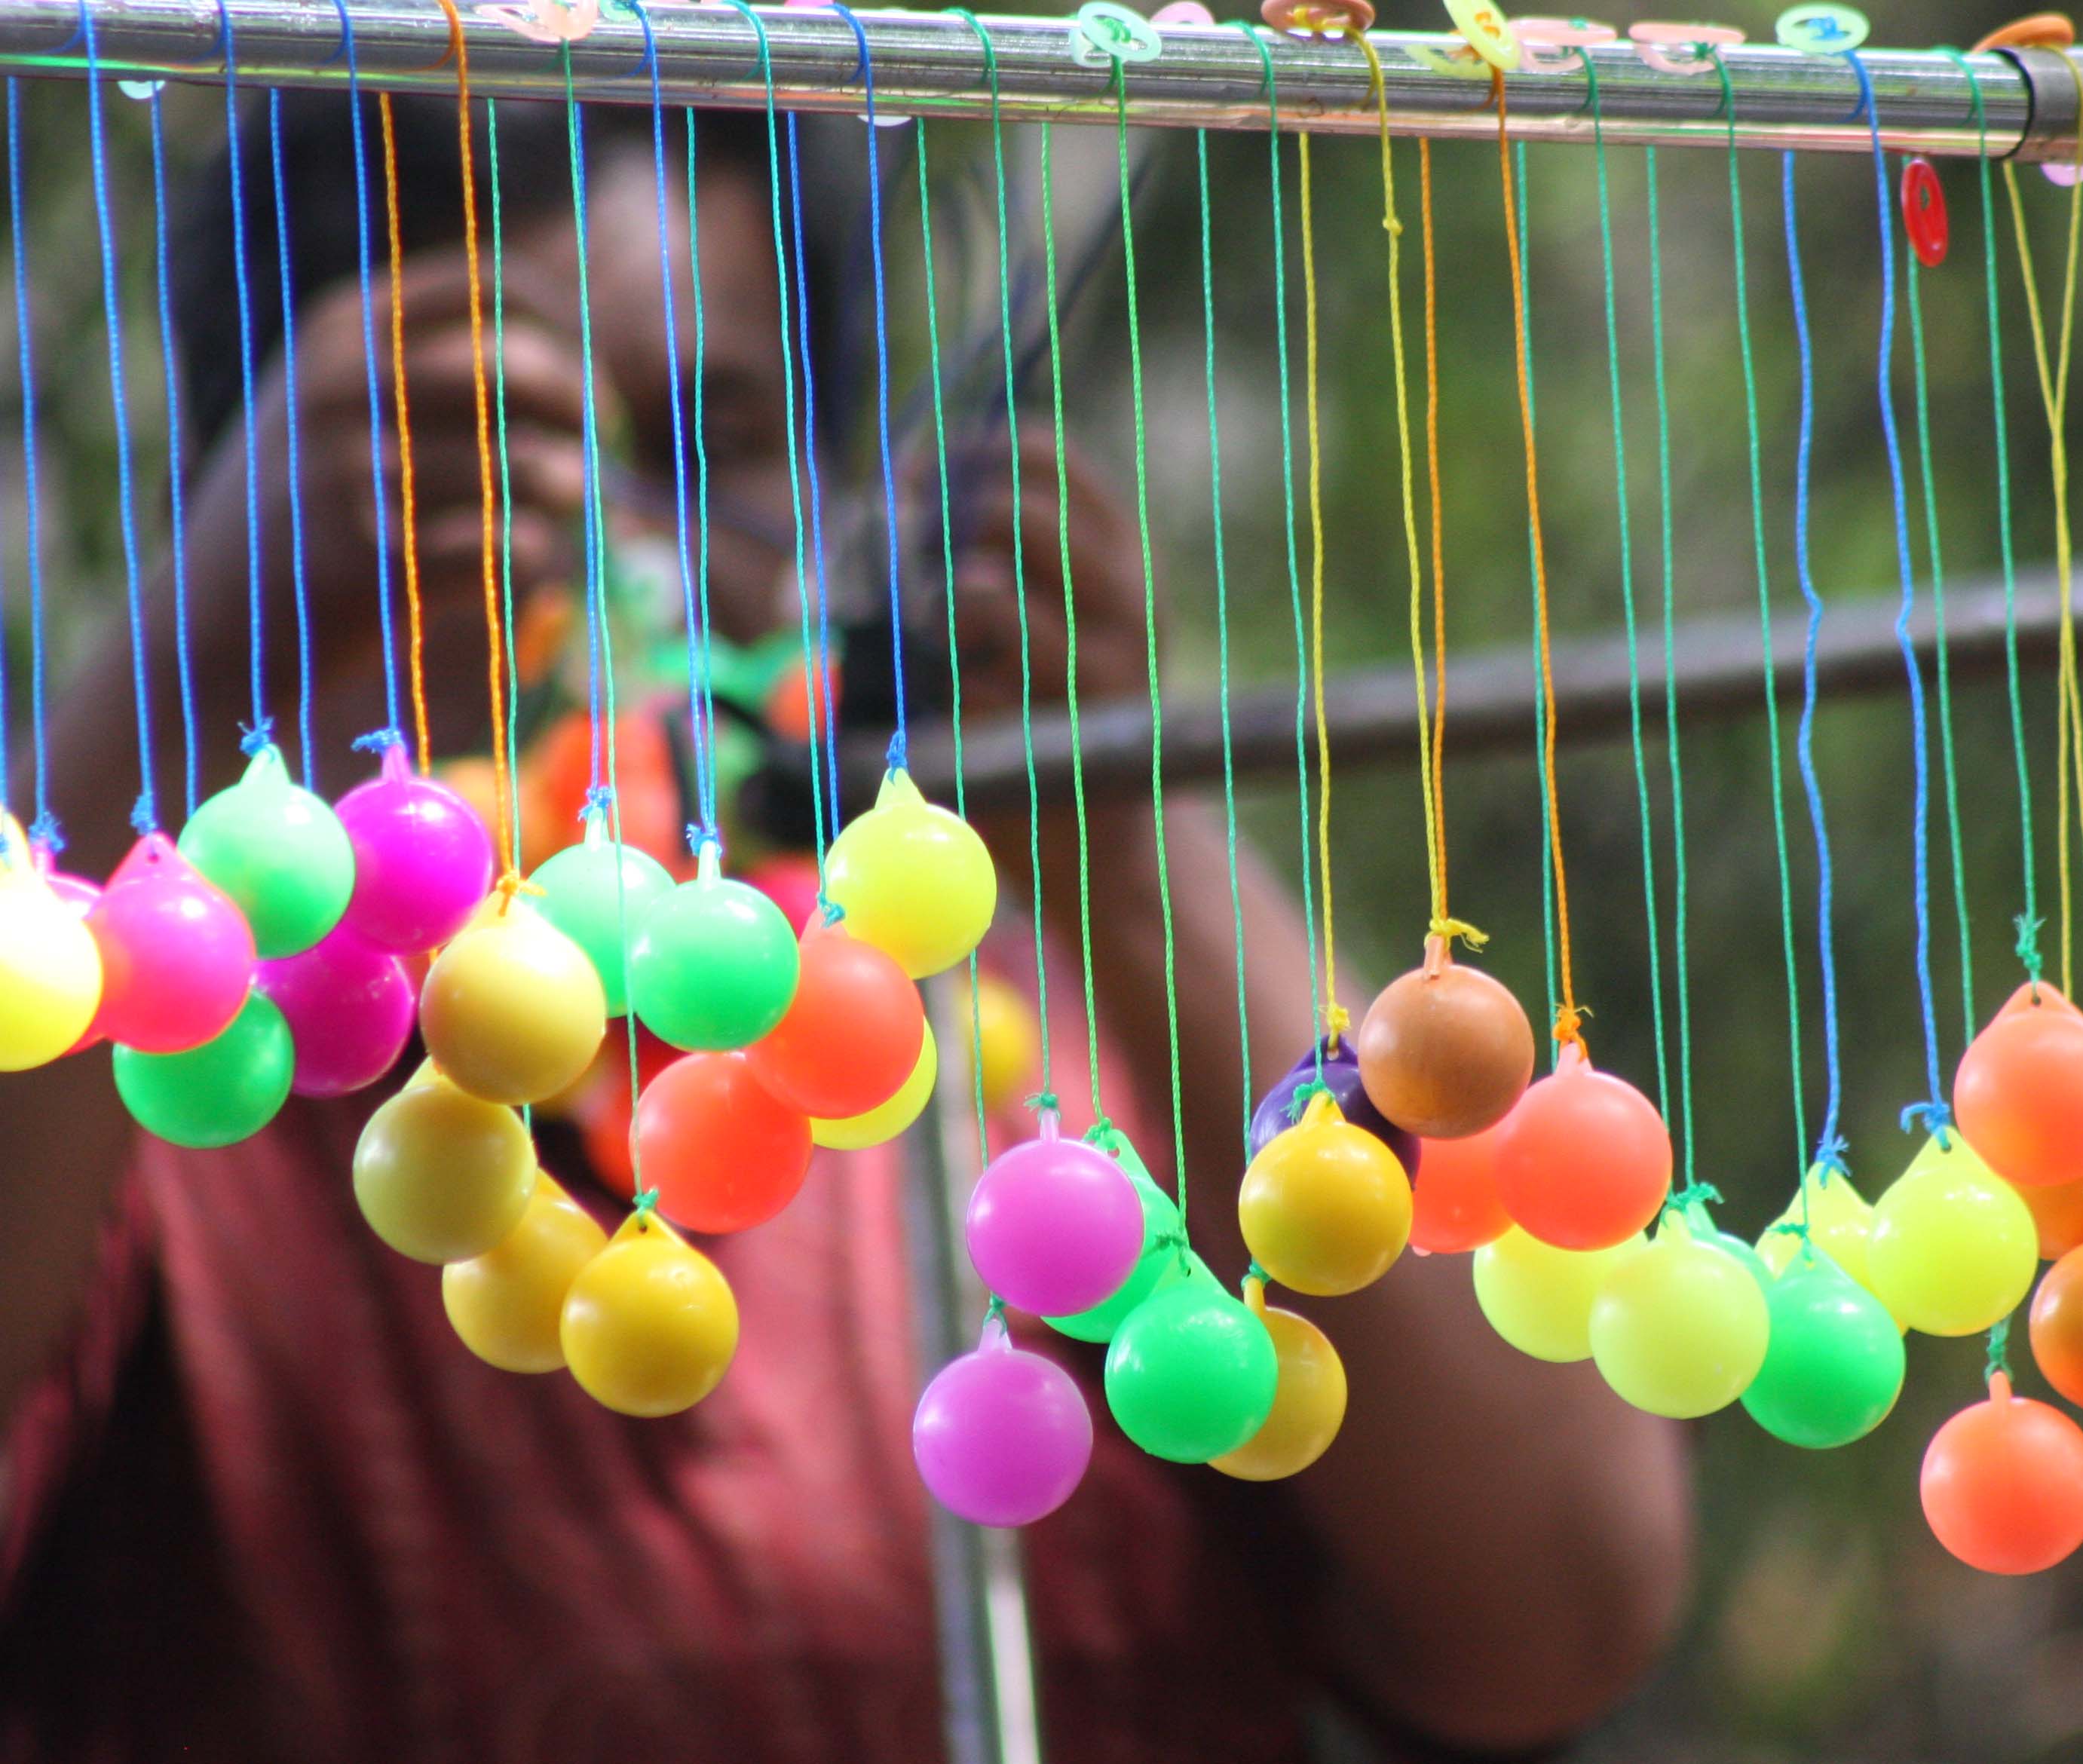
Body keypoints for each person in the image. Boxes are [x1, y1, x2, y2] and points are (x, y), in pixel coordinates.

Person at [0, 92, 1689, 1762]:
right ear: (266, 516)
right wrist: (163, 696)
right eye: (469, 468)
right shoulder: (153, 1088)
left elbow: (1563, 1613)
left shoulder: (1041, 1013)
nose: (614, 561)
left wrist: (1120, 833)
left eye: (712, 445)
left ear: (836, 494)